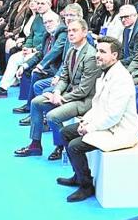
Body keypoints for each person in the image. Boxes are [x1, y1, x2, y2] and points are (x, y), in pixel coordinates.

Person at [58, 36, 138, 202]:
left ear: (114, 55)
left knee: (74, 146)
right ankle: (78, 176)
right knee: (65, 132)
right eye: (97, 51)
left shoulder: (121, 79)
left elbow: (114, 115)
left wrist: (90, 128)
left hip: (120, 131)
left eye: (102, 51)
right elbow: (98, 105)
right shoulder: (105, 73)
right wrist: (85, 122)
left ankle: (86, 187)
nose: (97, 55)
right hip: (107, 124)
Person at [16, 18, 99, 160]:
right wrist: (57, 92)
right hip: (67, 93)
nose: (70, 34)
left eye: (75, 30)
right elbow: (64, 77)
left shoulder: (91, 56)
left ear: (84, 32)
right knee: (36, 102)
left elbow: (84, 90)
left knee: (52, 116)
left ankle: (61, 147)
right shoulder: (71, 50)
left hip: (83, 100)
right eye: (69, 31)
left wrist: (62, 98)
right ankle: (35, 144)